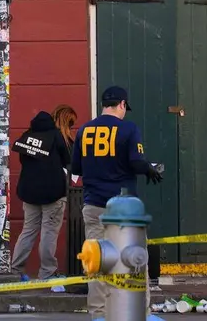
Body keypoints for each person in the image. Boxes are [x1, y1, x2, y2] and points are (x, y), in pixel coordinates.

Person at [72, 86, 161, 320]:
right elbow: (135, 162)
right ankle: (141, 313)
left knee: (98, 263)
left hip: (94, 206)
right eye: (125, 108)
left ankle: (99, 314)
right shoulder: (129, 129)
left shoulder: (84, 130)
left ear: (104, 105)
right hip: (124, 210)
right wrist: (148, 169)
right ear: (122, 104)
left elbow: (76, 169)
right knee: (135, 260)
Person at [10, 110, 71, 278]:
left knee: (28, 230)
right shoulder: (56, 136)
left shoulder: (27, 136)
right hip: (53, 192)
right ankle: (47, 272)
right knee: (49, 232)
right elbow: (68, 159)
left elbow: (23, 160)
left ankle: (15, 270)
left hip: (29, 192)